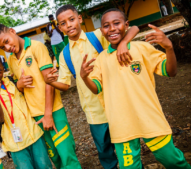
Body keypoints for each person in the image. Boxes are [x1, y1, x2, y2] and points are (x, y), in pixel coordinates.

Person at [80, 8, 191, 169]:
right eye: (106, 25)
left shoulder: (141, 48)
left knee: (172, 160)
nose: (111, 28)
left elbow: (171, 71)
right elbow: (96, 88)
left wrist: (169, 48)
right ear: (102, 31)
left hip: (150, 118)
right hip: (121, 125)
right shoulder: (101, 59)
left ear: (126, 25)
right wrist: (84, 77)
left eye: (116, 23)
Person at [44, 4, 139, 169]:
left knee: (126, 146)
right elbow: (65, 85)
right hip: (94, 112)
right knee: (104, 151)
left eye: (72, 19)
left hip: (117, 104)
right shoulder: (64, 54)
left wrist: (124, 43)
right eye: (64, 23)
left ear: (79, 19)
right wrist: (50, 81)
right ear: (59, 27)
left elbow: (134, 28)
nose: (69, 25)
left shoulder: (97, 36)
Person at [0, 24, 81, 169]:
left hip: (53, 111)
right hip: (34, 117)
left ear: (12, 31)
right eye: (2, 47)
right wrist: (19, 84)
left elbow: (49, 81)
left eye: (6, 41)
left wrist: (48, 113)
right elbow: (18, 89)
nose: (7, 48)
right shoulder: (12, 60)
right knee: (54, 156)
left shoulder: (36, 47)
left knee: (67, 155)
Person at [0, 53, 52, 169]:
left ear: (4, 69)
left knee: (44, 166)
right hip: (15, 144)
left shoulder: (11, 81)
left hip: (34, 134)